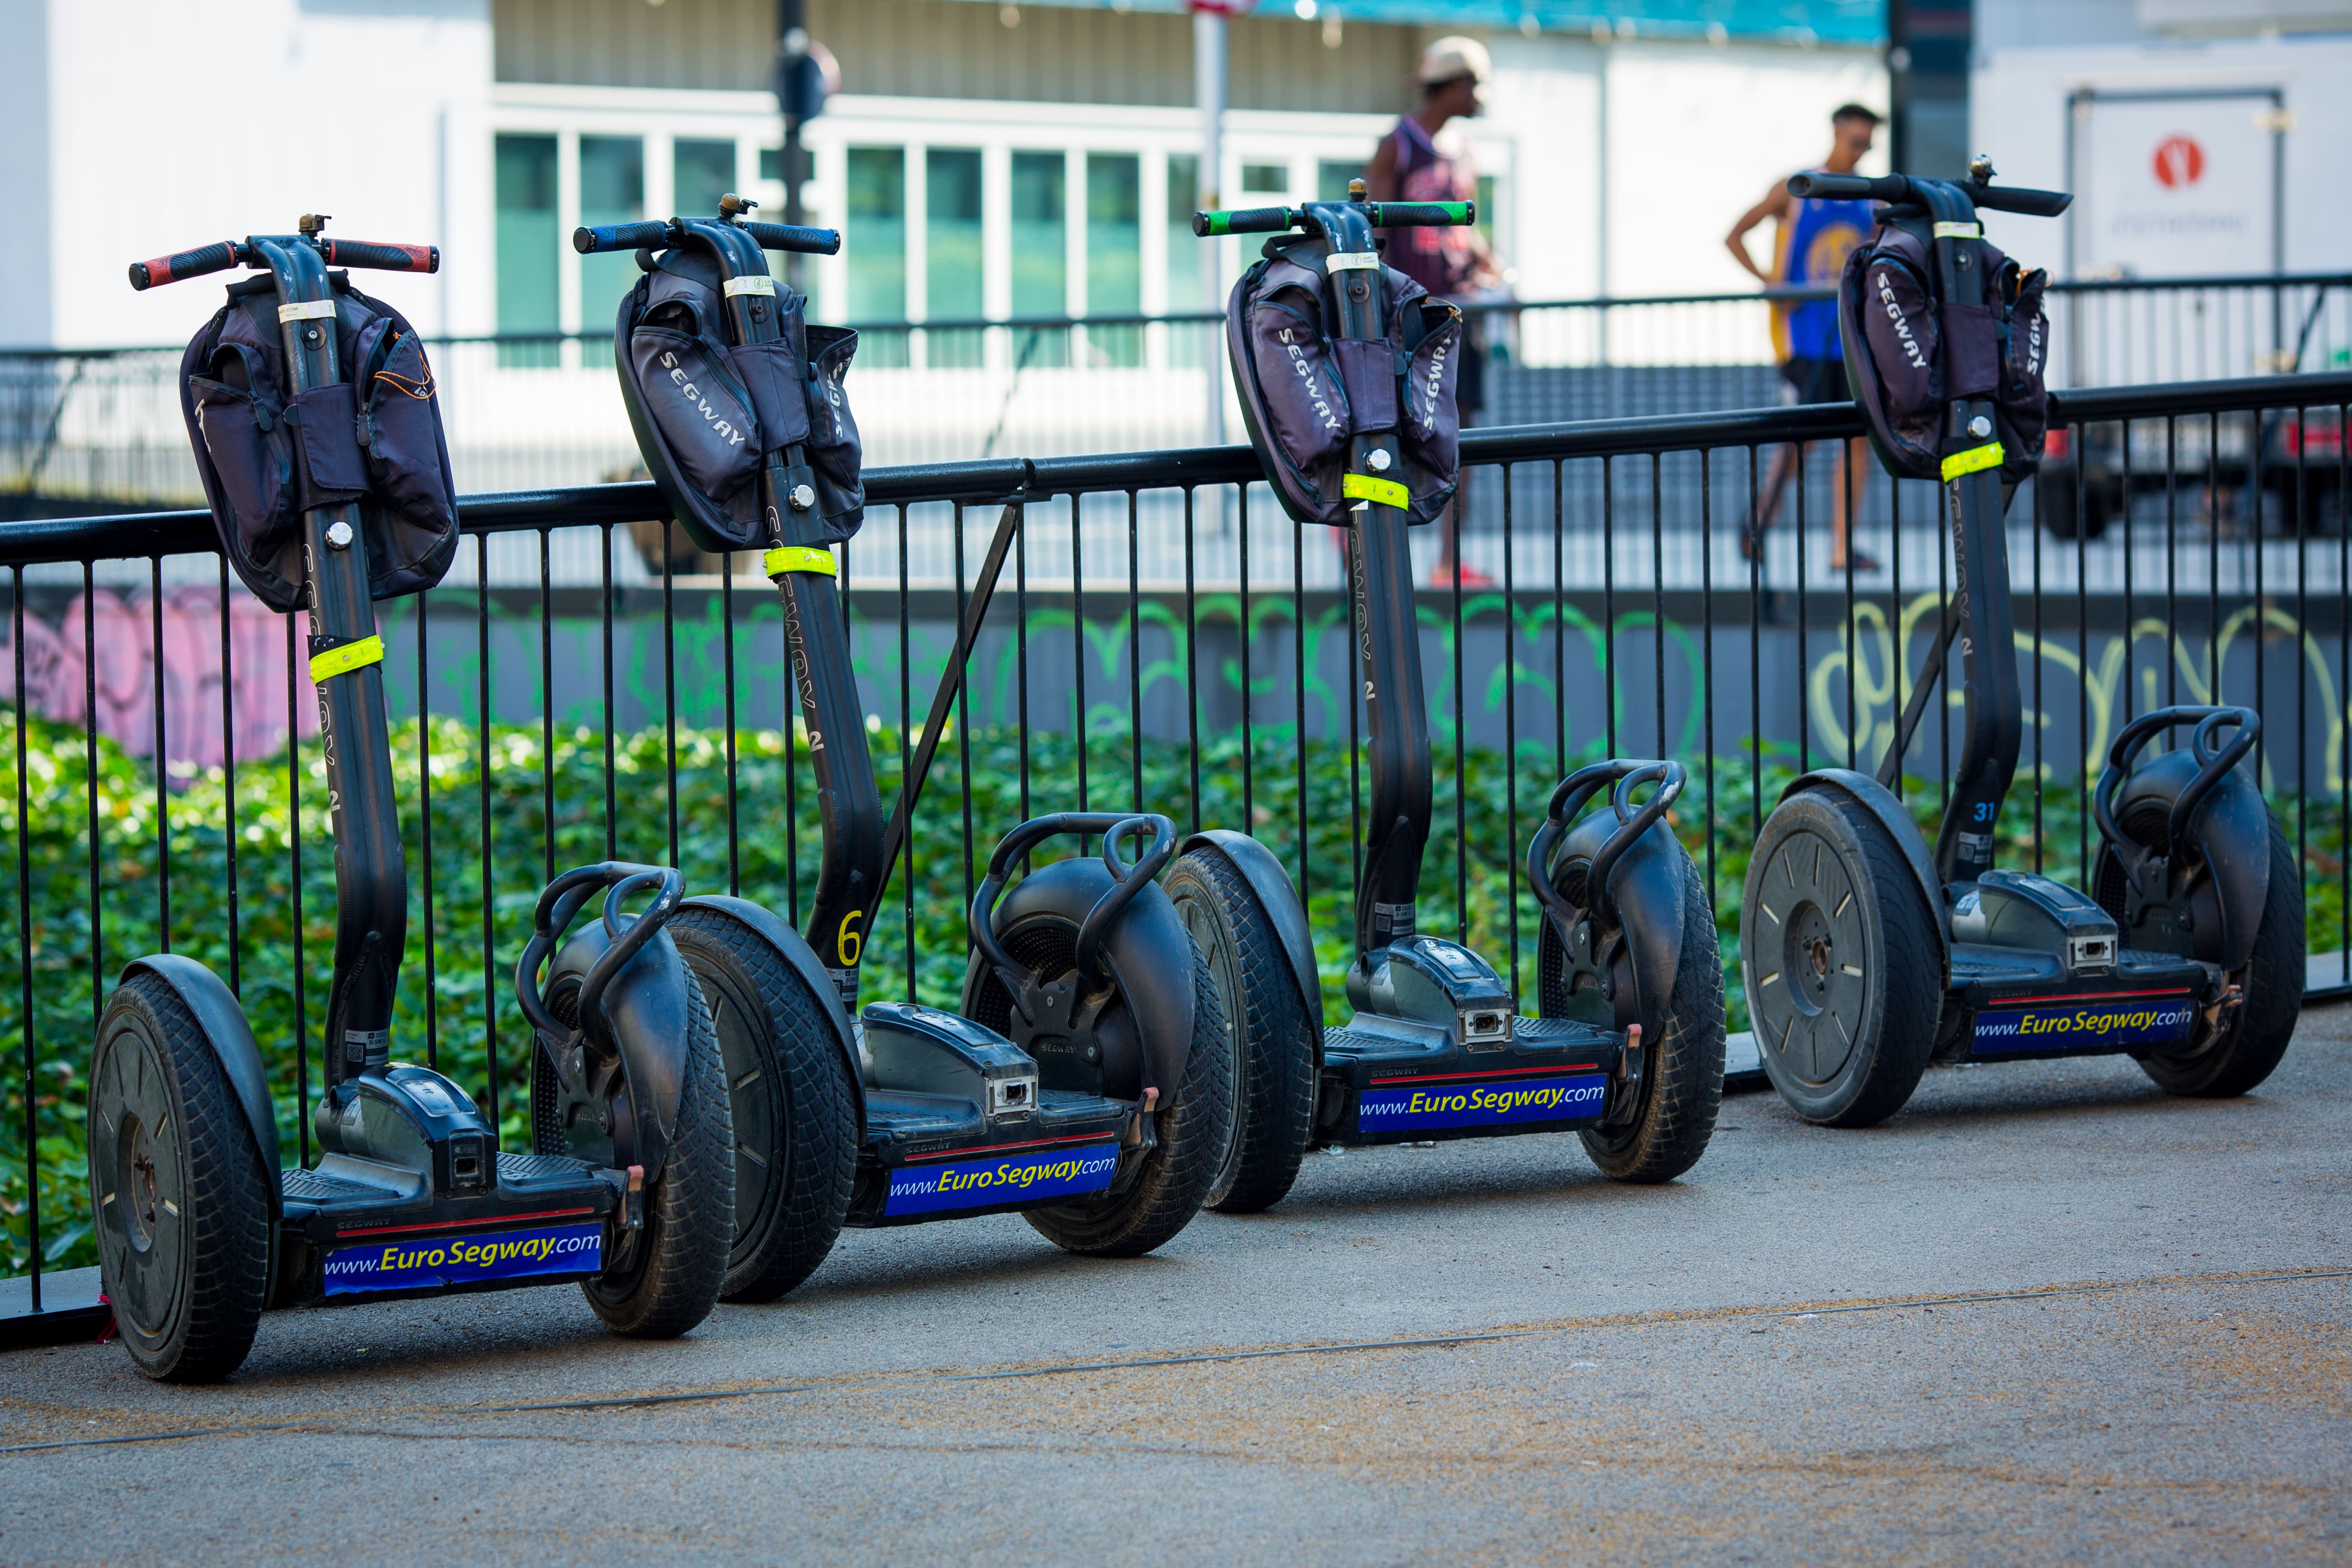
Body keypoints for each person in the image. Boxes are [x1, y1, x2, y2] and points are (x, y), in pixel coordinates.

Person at [1365, 35, 1508, 588]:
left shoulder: (1463, 151)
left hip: (1457, 313)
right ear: (1450, 85)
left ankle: (1448, 562)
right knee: (1394, 436)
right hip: (1407, 316)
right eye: (1473, 85)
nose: (1478, 97)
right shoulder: (1398, 145)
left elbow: (1461, 231)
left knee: (1457, 440)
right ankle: (1378, 558)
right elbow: (1372, 231)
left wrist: (1492, 265)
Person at [1724, 102, 1882, 572]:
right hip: (1803, 340)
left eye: (1867, 144)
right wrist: (1769, 283)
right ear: (1836, 133)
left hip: (1851, 338)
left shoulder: (1871, 199)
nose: (1860, 151)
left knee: (1857, 440)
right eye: (1855, 141)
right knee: (1802, 441)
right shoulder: (1796, 189)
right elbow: (1735, 235)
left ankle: (1841, 549)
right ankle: (1758, 522)